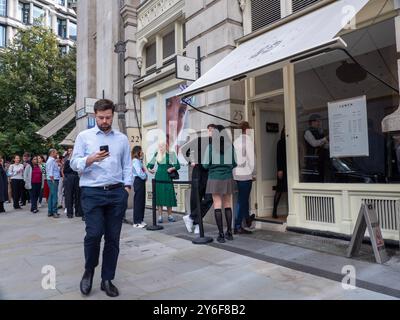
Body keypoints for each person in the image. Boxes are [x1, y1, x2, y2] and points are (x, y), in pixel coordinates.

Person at [71, 99, 132, 298]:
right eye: (101, 117)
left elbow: (127, 165)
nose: (105, 121)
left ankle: (107, 279)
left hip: (116, 193)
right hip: (92, 192)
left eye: (108, 117)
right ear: (94, 115)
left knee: (113, 238)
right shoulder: (84, 136)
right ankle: (89, 270)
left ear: (113, 115)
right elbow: (73, 163)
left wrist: (127, 187)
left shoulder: (122, 139)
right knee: (94, 234)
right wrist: (89, 159)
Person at [203, 124, 237, 243]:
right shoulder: (230, 147)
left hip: (214, 178)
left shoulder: (211, 147)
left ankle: (221, 234)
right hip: (227, 177)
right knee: (228, 204)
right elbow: (235, 163)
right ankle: (229, 232)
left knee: (217, 204)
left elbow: (205, 165)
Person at [182, 125, 215, 235]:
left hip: (209, 173)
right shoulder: (200, 140)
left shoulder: (217, 144)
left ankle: (191, 218)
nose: (212, 133)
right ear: (208, 131)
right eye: (210, 130)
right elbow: (184, 149)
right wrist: (190, 162)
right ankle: (197, 225)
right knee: (196, 199)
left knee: (209, 198)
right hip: (198, 172)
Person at [147, 141, 180, 223]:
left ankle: (170, 215)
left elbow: (178, 165)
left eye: (162, 146)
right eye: (159, 146)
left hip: (168, 177)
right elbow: (149, 165)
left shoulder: (171, 154)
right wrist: (150, 170)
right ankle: (160, 216)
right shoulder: (156, 154)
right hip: (159, 177)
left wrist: (172, 168)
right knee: (159, 196)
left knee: (169, 196)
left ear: (166, 146)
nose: (161, 147)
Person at [233, 121, 256, 234]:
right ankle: (237, 225)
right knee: (242, 200)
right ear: (246, 129)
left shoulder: (236, 141)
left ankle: (247, 220)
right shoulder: (248, 141)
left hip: (237, 173)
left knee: (243, 199)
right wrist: (253, 173)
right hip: (246, 173)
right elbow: (252, 159)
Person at [304, 114, 329, 182]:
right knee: (313, 179)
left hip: (322, 159)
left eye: (320, 121)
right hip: (313, 160)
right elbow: (314, 143)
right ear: (312, 122)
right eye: (317, 121)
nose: (319, 123)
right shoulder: (308, 132)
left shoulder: (320, 132)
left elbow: (326, 145)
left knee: (321, 178)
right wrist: (325, 139)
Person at [272, 127, 288, 219]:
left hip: (290, 168)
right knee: (279, 190)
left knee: (289, 190)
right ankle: (274, 210)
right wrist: (280, 170)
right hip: (283, 169)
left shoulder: (291, 141)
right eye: (285, 130)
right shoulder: (280, 142)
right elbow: (279, 157)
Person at [63, 148, 82, 219]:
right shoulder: (67, 161)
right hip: (69, 178)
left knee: (77, 195)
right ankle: (69, 213)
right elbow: (65, 171)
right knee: (69, 195)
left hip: (77, 178)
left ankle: (78, 212)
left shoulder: (77, 161)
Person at [131, 146, 147, 228]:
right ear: (138, 152)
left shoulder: (138, 161)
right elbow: (140, 172)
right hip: (138, 181)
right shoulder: (135, 161)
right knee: (138, 201)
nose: (142, 152)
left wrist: (142, 159)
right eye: (141, 151)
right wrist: (145, 176)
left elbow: (143, 169)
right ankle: (136, 222)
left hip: (141, 181)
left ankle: (140, 220)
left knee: (142, 201)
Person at [46, 149, 61, 218]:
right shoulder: (51, 160)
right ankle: (54, 211)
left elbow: (55, 169)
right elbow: (50, 171)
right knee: (54, 195)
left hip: (53, 179)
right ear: (52, 153)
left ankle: (50, 211)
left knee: (51, 195)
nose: (57, 154)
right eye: (56, 153)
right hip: (53, 179)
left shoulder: (52, 160)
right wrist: (52, 179)